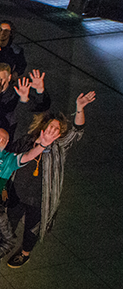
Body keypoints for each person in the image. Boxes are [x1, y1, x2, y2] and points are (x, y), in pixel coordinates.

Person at [6, 91, 96, 268]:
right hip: (18, 191)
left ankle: (25, 252)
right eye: (50, 127)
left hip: (40, 197)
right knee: (9, 220)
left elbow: (77, 133)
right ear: (43, 127)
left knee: (33, 226)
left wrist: (79, 109)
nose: (53, 130)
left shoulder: (59, 147)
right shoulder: (27, 141)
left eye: (57, 129)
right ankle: (3, 244)